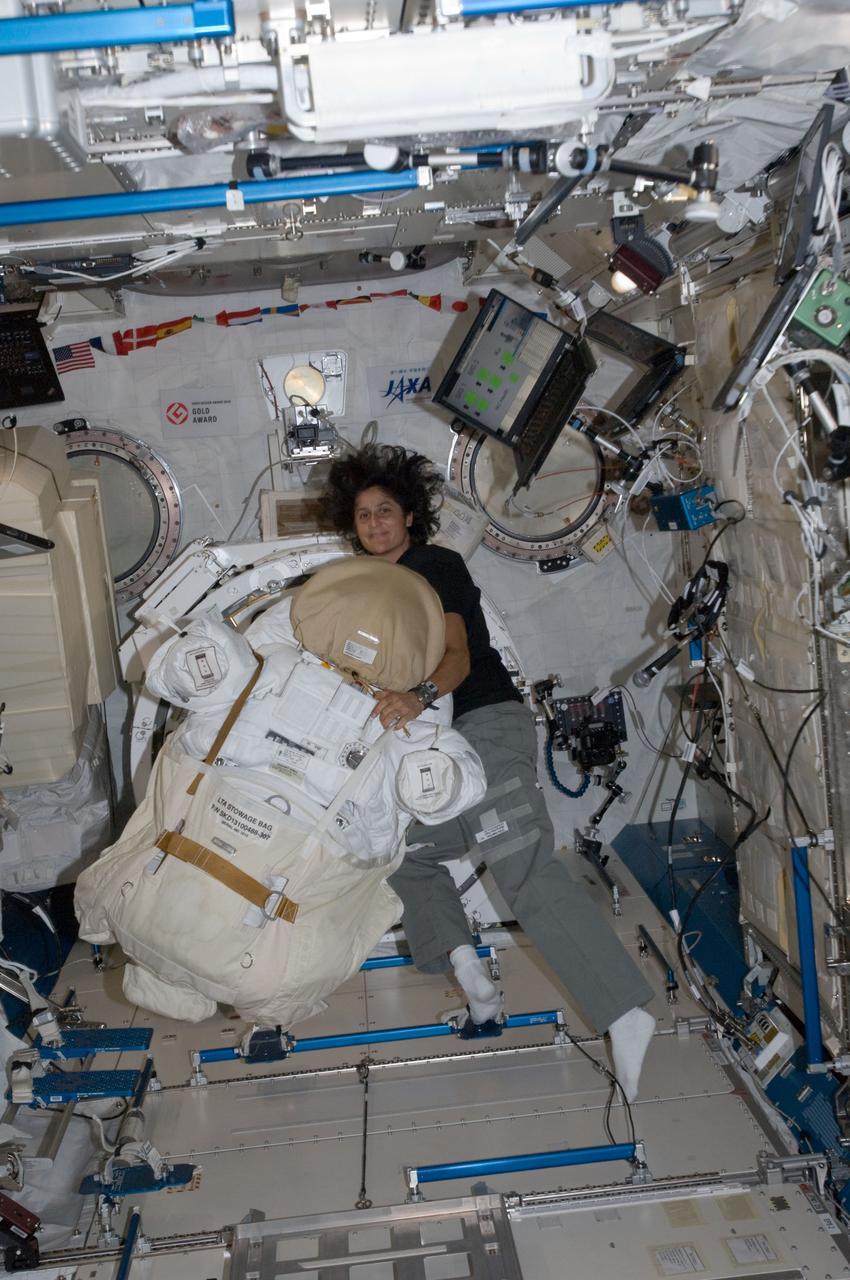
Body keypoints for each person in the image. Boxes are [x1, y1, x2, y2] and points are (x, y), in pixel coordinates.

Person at [319, 444, 656, 1100]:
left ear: (410, 516)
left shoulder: (431, 565)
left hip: (482, 725)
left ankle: (626, 1013)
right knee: (399, 853)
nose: (376, 523)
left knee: (520, 867)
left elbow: (457, 654)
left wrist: (415, 696)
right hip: (431, 749)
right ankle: (470, 974)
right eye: (364, 516)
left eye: (386, 510)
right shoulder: (365, 588)